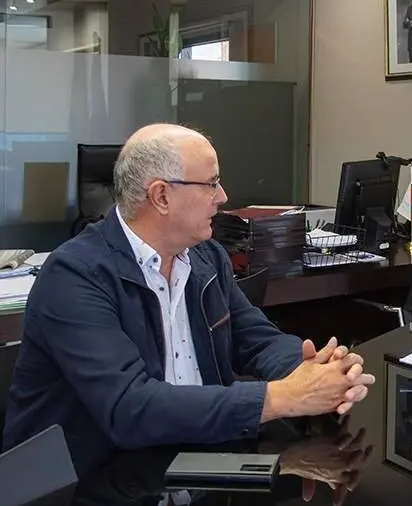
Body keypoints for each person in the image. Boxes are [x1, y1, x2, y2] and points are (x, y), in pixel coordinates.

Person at [2, 124, 376, 476]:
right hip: (89, 483)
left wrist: (317, 369)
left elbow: (255, 339)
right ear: (161, 195)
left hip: (195, 463)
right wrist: (283, 397)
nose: (223, 197)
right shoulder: (75, 275)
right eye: (211, 183)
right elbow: (130, 409)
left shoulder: (205, 257)